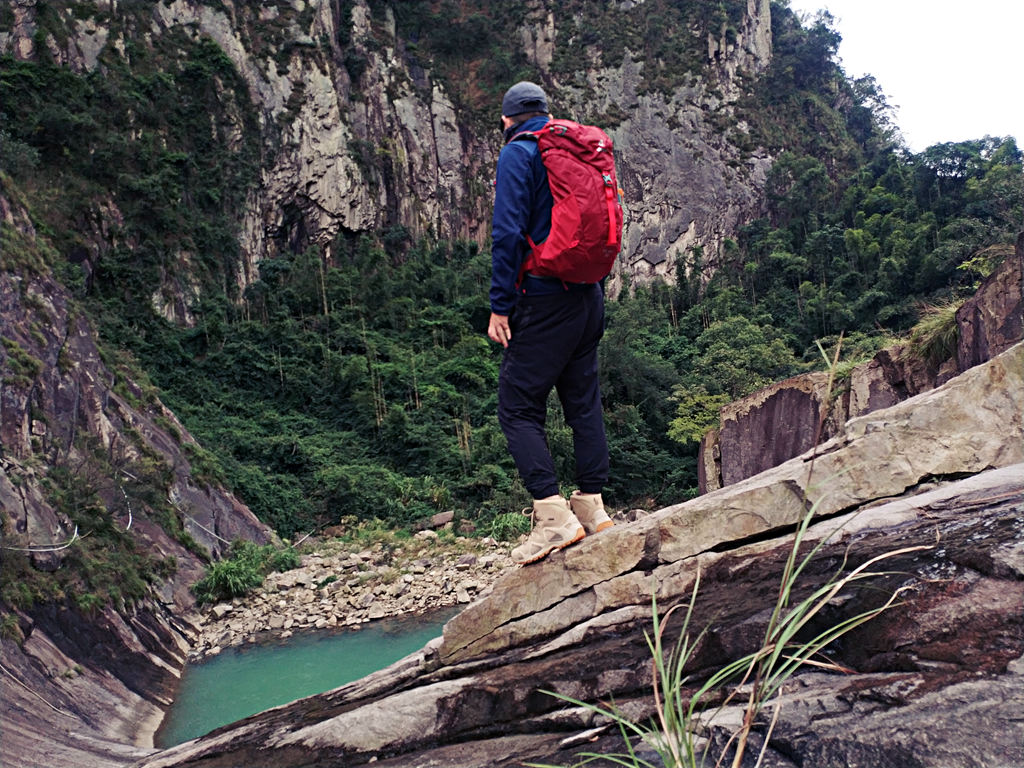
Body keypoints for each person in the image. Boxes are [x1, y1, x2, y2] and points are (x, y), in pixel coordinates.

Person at [487, 81, 614, 566]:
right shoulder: (577, 147)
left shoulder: (519, 152)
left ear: (507, 119)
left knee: (518, 407)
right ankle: (592, 506)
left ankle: (553, 517)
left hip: (543, 300)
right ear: (546, 111)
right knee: (583, 403)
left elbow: (507, 233)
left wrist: (501, 306)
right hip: (589, 297)